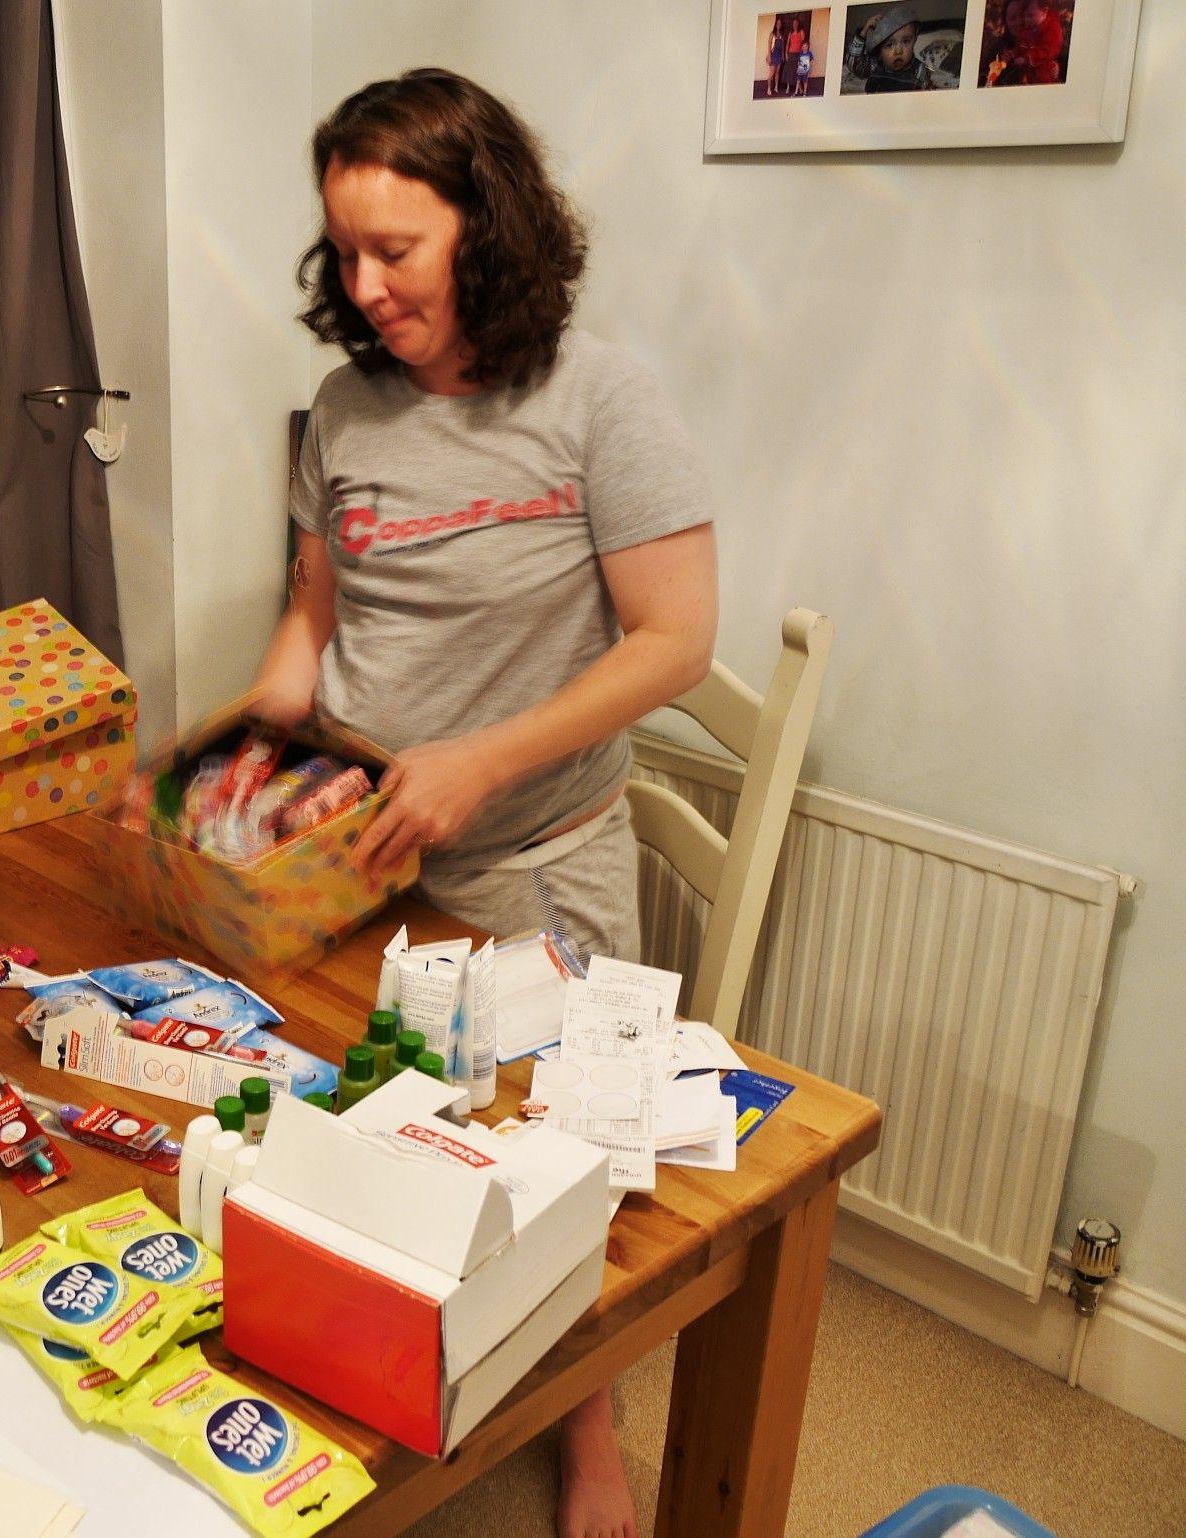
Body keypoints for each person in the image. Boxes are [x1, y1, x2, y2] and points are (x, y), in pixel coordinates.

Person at [254, 69, 716, 1538]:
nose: (367, 286)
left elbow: (676, 640)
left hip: (535, 857)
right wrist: (258, 740)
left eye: (399, 249)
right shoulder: (342, 407)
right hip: (363, 848)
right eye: (346, 252)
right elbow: (315, 610)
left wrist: (478, 760)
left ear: (488, 226)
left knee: (562, 1158)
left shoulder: (599, 397)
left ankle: (590, 1430)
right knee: (367, 1117)